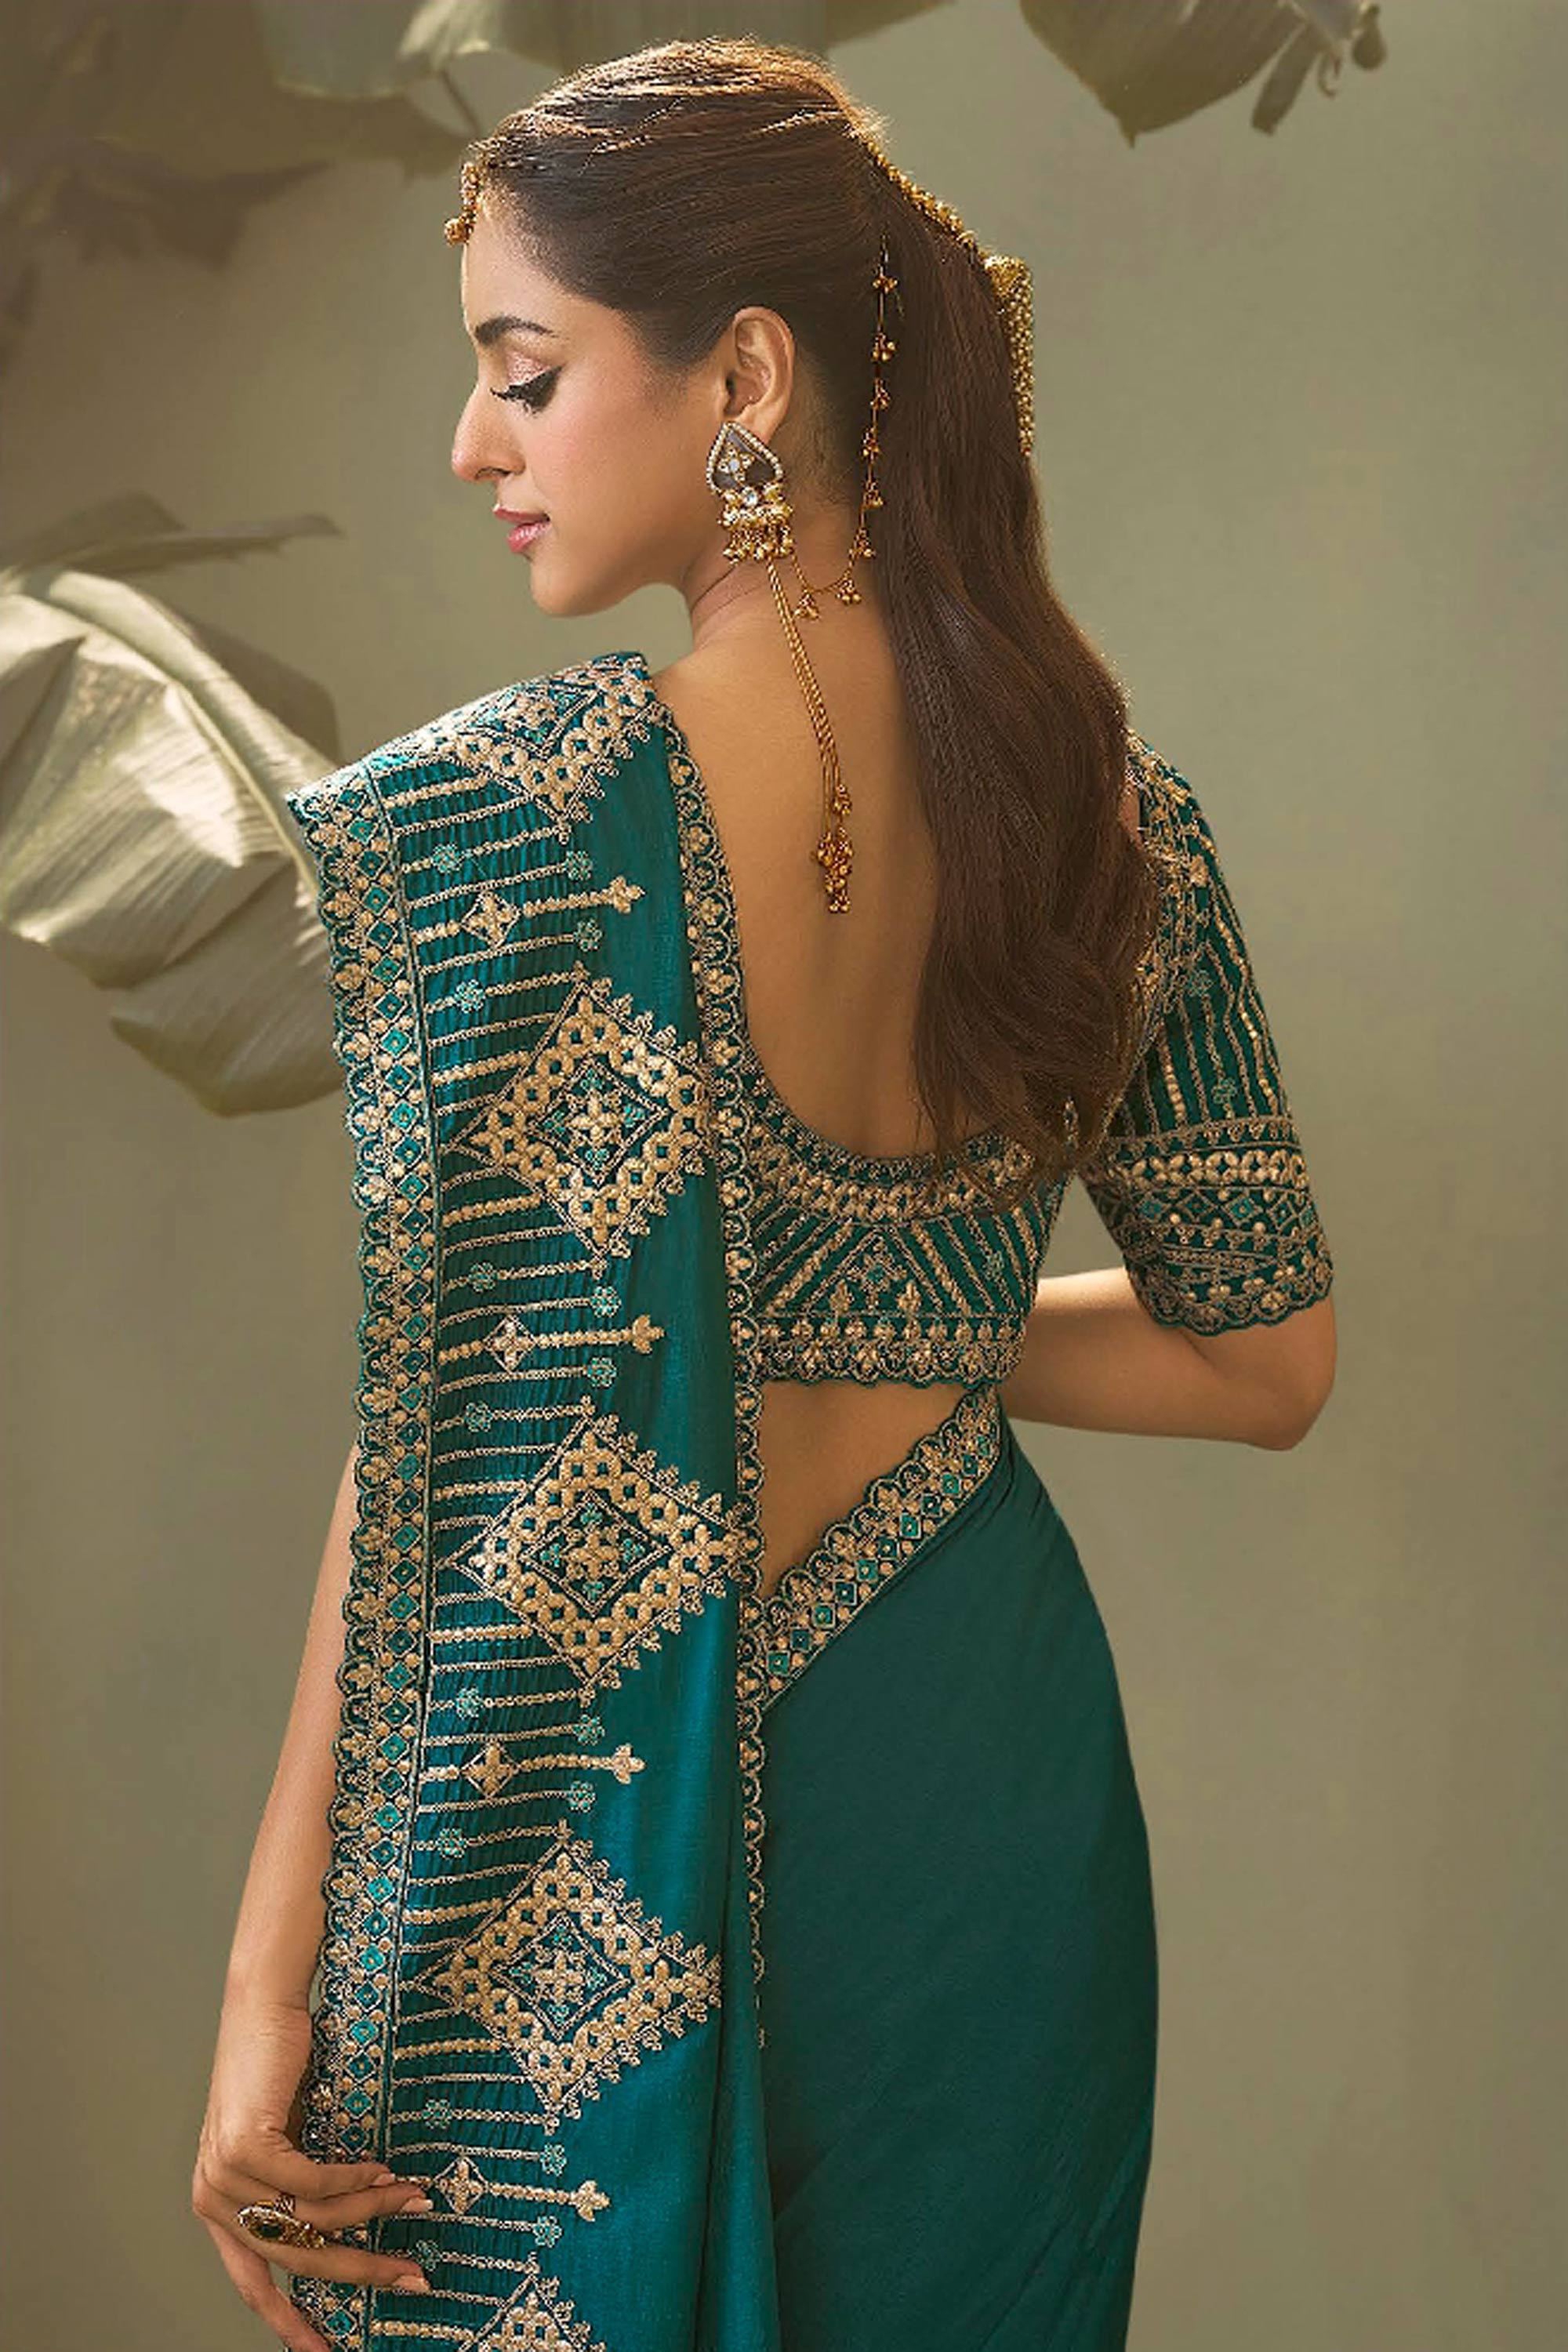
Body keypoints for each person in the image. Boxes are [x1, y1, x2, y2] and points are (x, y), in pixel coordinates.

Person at [192, 37, 1336, 2352]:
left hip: (581, 1788)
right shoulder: (1107, 820)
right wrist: (906, 1318)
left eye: (524, 371)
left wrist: (267, 1986)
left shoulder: (511, 821)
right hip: (982, 1758)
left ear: (742, 373)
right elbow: (1263, 1364)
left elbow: (437, 1443)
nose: (474, 444)